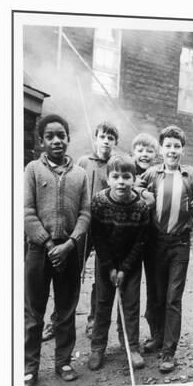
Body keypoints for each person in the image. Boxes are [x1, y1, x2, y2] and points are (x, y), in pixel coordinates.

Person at [24, 114, 90, 386]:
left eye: (61, 135)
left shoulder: (80, 174)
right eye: (50, 136)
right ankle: (30, 367)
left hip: (70, 253)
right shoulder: (32, 170)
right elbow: (26, 212)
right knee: (33, 312)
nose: (56, 141)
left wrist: (70, 244)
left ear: (68, 139)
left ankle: (63, 362)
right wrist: (49, 244)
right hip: (40, 253)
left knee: (65, 311)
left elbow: (86, 213)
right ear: (41, 141)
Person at [138, 125, 193, 374]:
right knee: (156, 295)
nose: (172, 150)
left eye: (177, 146)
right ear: (161, 148)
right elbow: (135, 186)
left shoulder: (190, 174)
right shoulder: (152, 173)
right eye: (168, 145)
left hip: (180, 243)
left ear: (182, 149)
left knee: (173, 298)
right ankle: (157, 337)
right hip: (155, 242)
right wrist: (144, 194)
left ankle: (169, 351)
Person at [42, 121, 119, 341]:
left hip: (105, 228)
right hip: (82, 225)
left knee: (101, 275)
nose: (106, 141)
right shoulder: (84, 161)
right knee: (69, 272)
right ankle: (57, 320)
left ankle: (94, 321)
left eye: (111, 138)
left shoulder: (115, 164)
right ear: (96, 138)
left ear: (115, 143)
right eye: (102, 136)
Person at [88, 154, 150, 370]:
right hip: (106, 261)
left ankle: (131, 346)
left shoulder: (141, 207)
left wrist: (124, 269)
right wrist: (110, 267)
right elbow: (98, 239)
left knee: (131, 305)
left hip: (130, 263)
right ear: (108, 178)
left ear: (134, 179)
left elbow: (140, 242)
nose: (121, 181)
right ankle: (98, 348)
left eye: (126, 176)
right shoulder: (98, 202)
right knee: (102, 303)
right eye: (116, 176)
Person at [129, 133, 161, 346]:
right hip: (129, 239)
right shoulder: (125, 172)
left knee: (154, 286)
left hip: (151, 238)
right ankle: (97, 322)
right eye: (140, 150)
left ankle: (156, 332)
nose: (144, 154)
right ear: (133, 152)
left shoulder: (158, 174)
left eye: (149, 151)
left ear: (156, 155)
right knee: (126, 286)